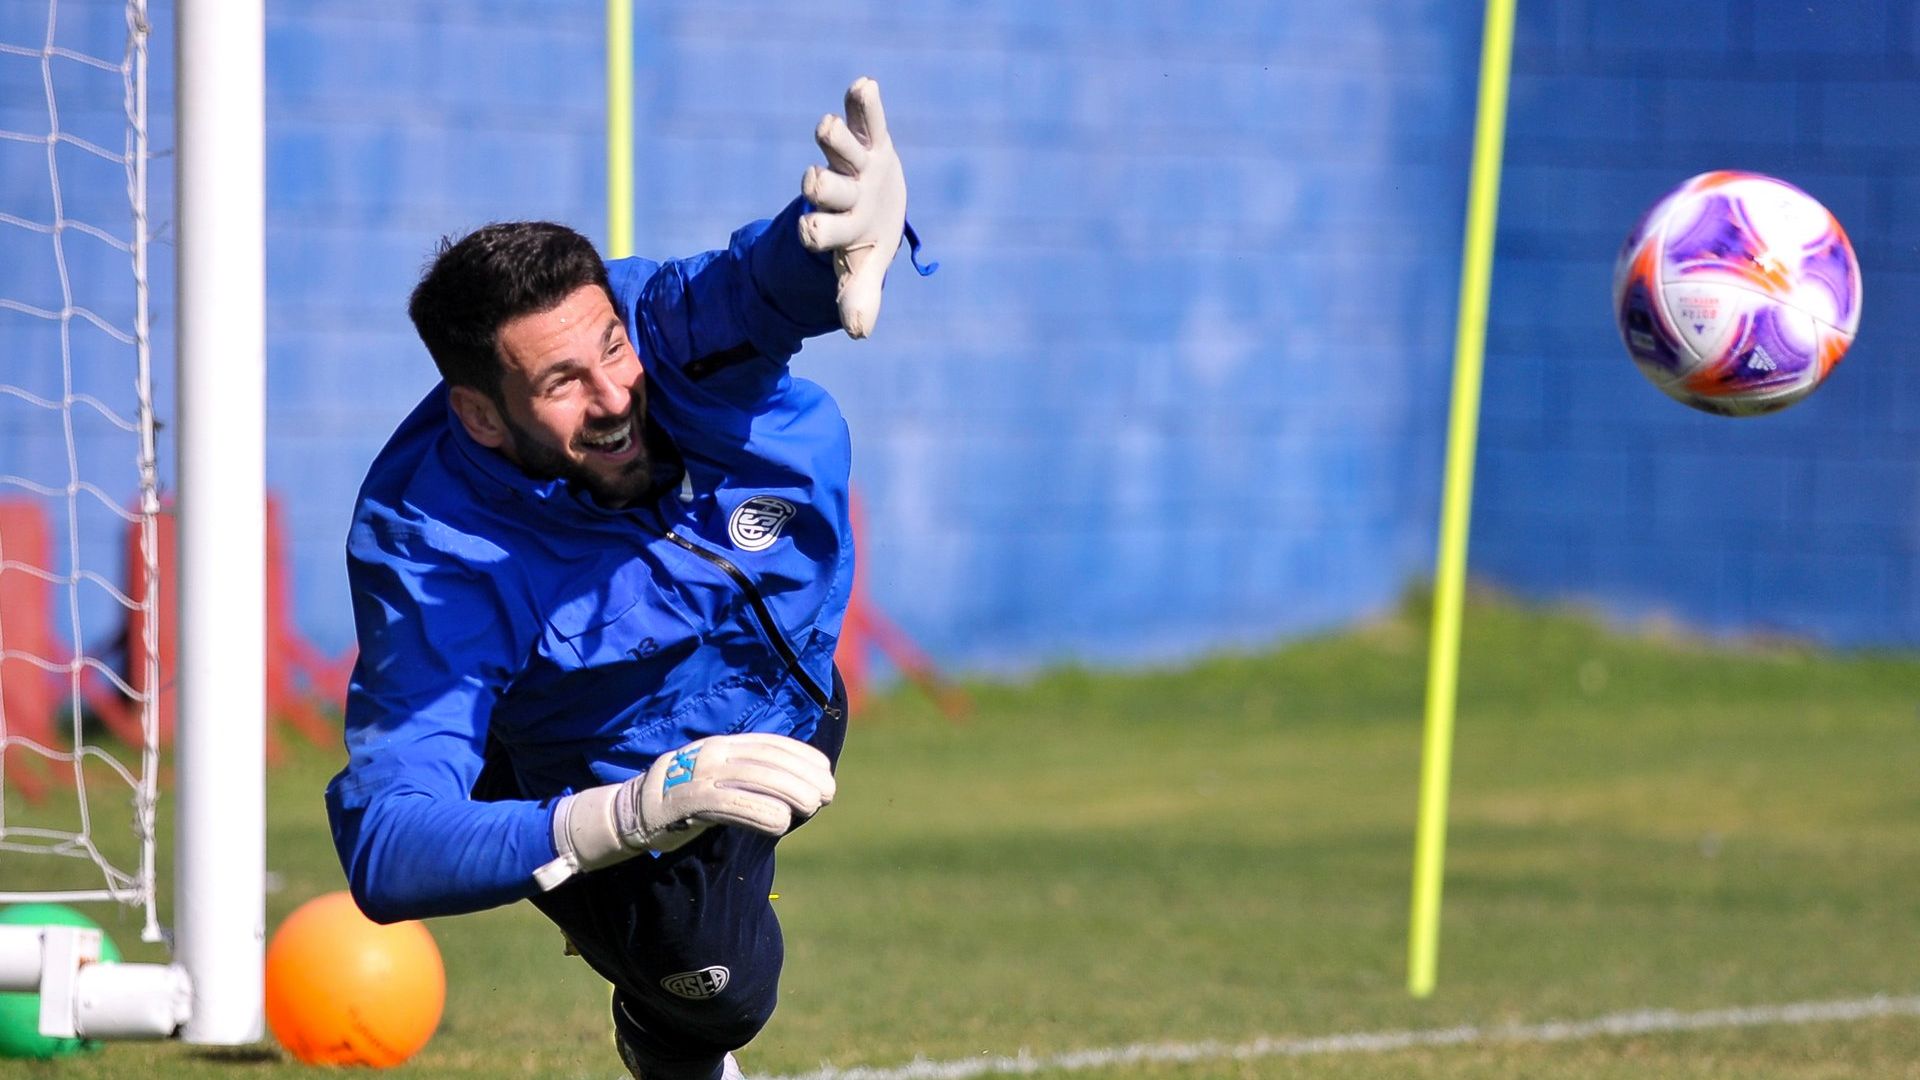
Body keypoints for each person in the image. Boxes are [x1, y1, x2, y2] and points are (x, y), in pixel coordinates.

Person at [324, 78, 923, 1080]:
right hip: (601, 770)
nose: (614, 398)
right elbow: (385, 847)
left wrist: (842, 230)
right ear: (480, 415)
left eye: (610, 348)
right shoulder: (430, 547)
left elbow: (763, 283)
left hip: (792, 702)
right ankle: (662, 1022)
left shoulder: (664, 329)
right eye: (561, 384)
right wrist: (626, 814)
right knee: (719, 992)